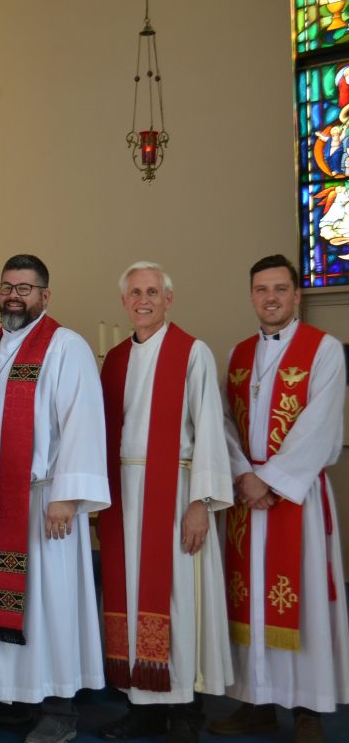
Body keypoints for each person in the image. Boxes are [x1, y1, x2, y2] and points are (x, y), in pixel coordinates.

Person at [0, 255, 109, 743]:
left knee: (48, 605)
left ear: (46, 296)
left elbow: (83, 421)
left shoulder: (65, 347)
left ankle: (58, 707)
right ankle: (11, 696)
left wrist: (67, 496)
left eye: (25, 289)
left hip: (41, 501)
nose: (13, 297)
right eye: (7, 287)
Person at [209, 254, 349, 743]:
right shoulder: (237, 354)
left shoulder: (324, 349)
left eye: (280, 289)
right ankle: (256, 701)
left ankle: (308, 710)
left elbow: (322, 424)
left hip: (297, 496)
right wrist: (243, 474)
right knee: (246, 598)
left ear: (296, 295)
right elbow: (223, 422)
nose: (270, 297)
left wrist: (270, 479)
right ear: (252, 295)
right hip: (250, 498)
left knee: (303, 597)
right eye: (261, 289)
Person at [98, 262, 233, 743]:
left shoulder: (191, 352)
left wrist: (201, 502)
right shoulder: (113, 360)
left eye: (153, 291)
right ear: (123, 301)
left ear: (169, 299)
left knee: (179, 597)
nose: (143, 300)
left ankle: (185, 713)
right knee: (131, 598)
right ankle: (142, 707)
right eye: (134, 292)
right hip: (124, 497)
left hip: (174, 492)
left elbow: (211, 429)